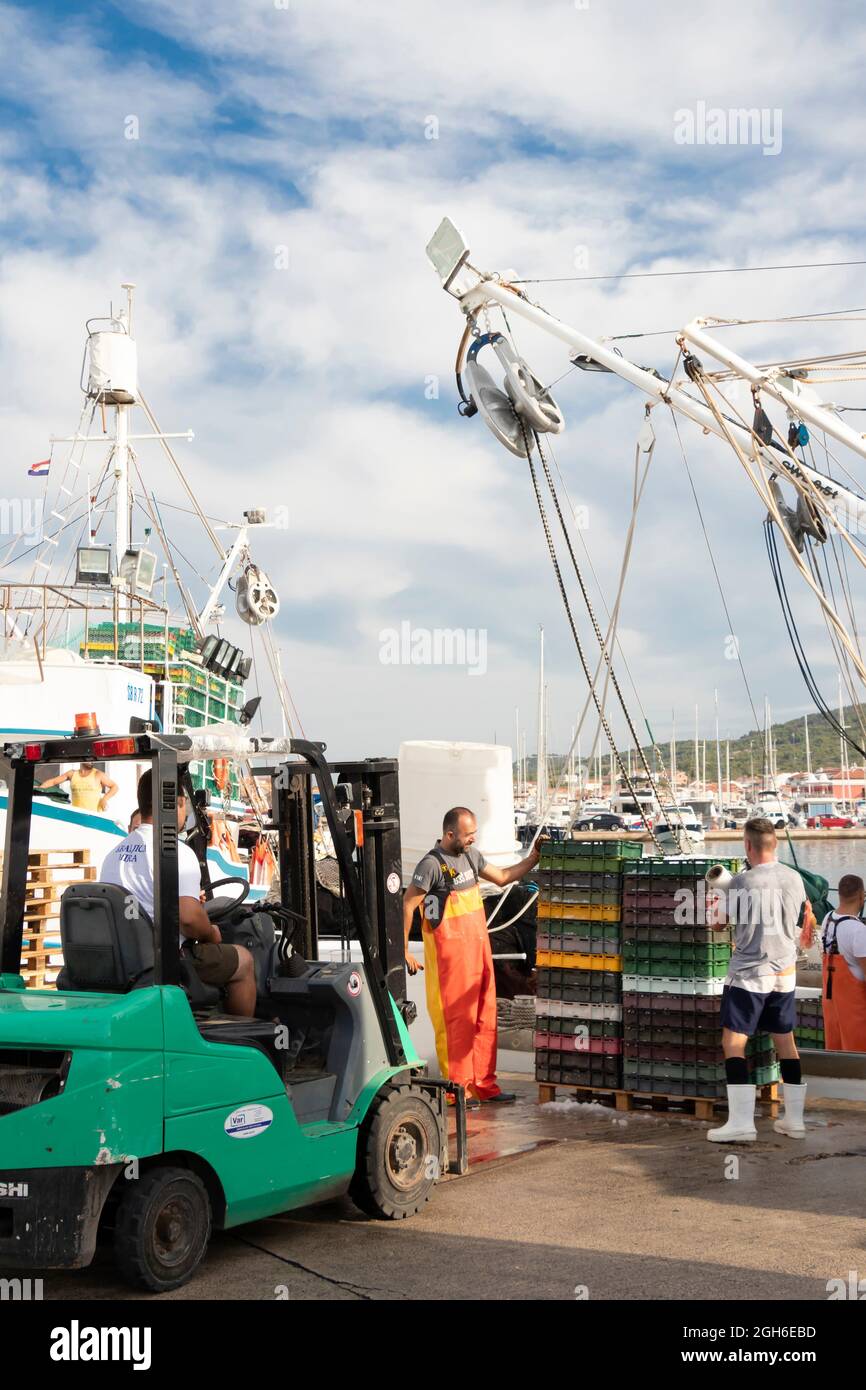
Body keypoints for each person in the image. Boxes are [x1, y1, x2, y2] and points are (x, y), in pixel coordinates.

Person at [402, 806, 540, 1107]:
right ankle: (457, 1090)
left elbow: (503, 877)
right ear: (450, 834)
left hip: (478, 953)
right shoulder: (431, 865)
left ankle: (484, 1086)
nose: (472, 840)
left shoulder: (471, 857)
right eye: (468, 835)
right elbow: (408, 904)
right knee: (457, 1025)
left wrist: (532, 860)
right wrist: (403, 950)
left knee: (484, 1019)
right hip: (449, 961)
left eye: (474, 834)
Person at [100, 770, 256, 1016]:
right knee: (244, 960)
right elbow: (189, 919)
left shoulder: (114, 854)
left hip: (125, 957)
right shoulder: (177, 850)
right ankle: (244, 1040)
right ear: (179, 803)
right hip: (166, 960)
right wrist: (212, 932)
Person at [707, 816, 809, 1143]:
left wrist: (716, 904)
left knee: (734, 1043)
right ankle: (794, 1121)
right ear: (775, 843)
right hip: (785, 972)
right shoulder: (795, 878)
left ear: (748, 846)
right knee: (785, 1041)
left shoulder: (741, 882)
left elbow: (719, 925)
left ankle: (741, 1123)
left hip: (750, 973)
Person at [821, 874, 866, 1052]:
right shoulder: (858, 931)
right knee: (858, 1056)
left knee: (835, 1049)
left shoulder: (827, 919)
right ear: (862, 896)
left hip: (832, 1005)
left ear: (839, 894)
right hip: (855, 1010)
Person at [39, 759, 118, 812]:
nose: (92, 761)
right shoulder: (72, 774)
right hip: (77, 815)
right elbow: (53, 782)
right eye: (88, 758)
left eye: (93, 759)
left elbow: (114, 786)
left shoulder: (98, 774)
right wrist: (40, 788)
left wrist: (104, 799)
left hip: (94, 816)